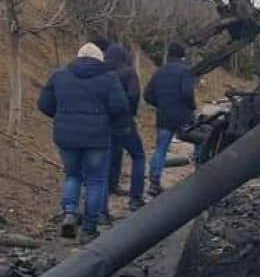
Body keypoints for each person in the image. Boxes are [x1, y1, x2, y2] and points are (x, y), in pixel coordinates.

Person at [36, 42, 130, 239]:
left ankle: (69, 212)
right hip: (97, 137)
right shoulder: (108, 78)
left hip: (66, 135)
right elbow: (120, 107)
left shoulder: (59, 75)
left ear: (78, 57)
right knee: (95, 180)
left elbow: (44, 104)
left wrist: (63, 115)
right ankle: (89, 228)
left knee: (72, 175)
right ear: (99, 59)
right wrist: (106, 120)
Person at [143, 42, 196, 196]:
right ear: (182, 56)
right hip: (183, 116)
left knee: (161, 149)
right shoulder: (185, 71)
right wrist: (192, 107)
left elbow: (147, 95)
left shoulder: (159, 72)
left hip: (164, 115)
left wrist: (160, 104)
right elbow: (187, 93)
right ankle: (200, 173)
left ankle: (154, 182)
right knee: (198, 140)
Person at [103, 42, 146, 212]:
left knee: (113, 155)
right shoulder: (128, 73)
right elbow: (134, 95)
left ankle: (110, 187)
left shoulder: (101, 73)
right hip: (125, 122)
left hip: (106, 123)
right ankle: (135, 197)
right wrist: (131, 112)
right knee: (138, 156)